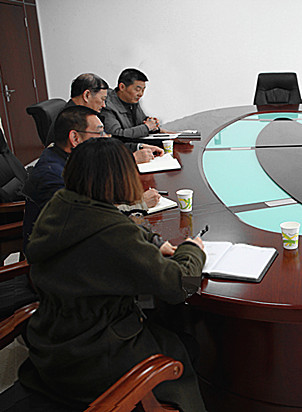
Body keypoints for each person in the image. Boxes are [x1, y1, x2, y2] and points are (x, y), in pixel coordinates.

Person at [18, 138, 207, 411]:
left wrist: (152, 242)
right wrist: (192, 251)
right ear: (120, 178)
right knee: (185, 345)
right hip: (94, 359)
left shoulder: (60, 205)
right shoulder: (114, 235)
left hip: (52, 344)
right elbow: (182, 287)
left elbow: (107, 223)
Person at [21, 106, 161, 252]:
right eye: (100, 132)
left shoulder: (63, 156)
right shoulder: (54, 176)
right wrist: (139, 204)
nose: (106, 137)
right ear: (75, 138)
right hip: (61, 255)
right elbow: (88, 221)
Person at [47, 73, 163, 163]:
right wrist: (131, 158)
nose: (104, 105)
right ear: (87, 95)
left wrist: (138, 147)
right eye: (102, 99)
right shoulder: (71, 121)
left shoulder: (85, 115)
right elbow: (93, 161)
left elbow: (107, 143)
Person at [102, 68, 168, 139]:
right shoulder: (107, 105)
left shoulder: (132, 100)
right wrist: (147, 127)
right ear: (122, 87)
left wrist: (153, 124)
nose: (141, 94)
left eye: (143, 90)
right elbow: (116, 134)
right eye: (137, 89)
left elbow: (141, 123)